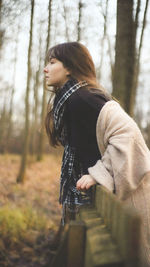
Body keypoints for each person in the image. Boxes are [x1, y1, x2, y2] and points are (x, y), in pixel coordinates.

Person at [44, 41, 150, 266]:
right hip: (104, 201)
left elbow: (129, 136)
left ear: (70, 67)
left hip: (126, 200)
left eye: (52, 63)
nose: (45, 68)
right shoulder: (73, 100)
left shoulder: (82, 99)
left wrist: (99, 173)